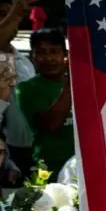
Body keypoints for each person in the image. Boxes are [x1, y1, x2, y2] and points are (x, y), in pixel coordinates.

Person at [15, 28, 74, 179]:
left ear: (65, 55)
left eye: (54, 51)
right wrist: (71, 84)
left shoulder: (86, 84)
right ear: (32, 56)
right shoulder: (27, 89)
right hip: (50, 169)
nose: (49, 58)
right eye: (41, 52)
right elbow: (52, 124)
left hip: (83, 164)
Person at [0, 0, 39, 179]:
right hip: (10, 155)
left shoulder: (22, 60)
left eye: (10, 15)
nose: (8, 22)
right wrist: (15, 13)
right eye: (2, 16)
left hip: (35, 152)